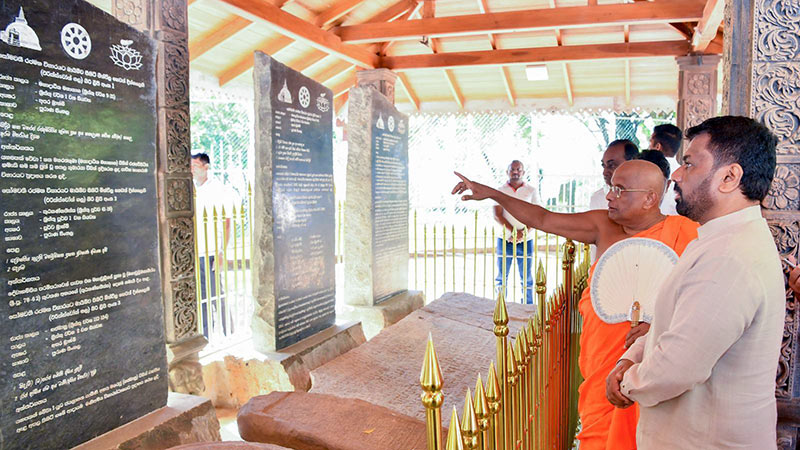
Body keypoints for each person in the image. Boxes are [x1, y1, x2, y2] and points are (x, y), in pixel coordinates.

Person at [451, 159, 699, 450]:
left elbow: (697, 306)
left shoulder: (688, 234)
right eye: (611, 188)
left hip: (649, 366)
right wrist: (493, 193)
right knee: (596, 437)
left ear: (650, 198)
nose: (609, 196)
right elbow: (542, 219)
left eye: (620, 190)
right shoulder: (602, 225)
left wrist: (656, 325)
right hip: (601, 362)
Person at [606, 116, 783, 449]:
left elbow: (677, 367)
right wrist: (629, 357)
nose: (675, 174)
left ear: (730, 177)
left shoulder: (730, 256)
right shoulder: (719, 240)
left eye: (688, 164)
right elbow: (675, 323)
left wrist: (625, 383)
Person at [192, 152, 238, 338]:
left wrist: (221, 253)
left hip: (211, 251)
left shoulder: (219, 190)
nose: (191, 170)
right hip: (195, 251)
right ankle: (205, 333)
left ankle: (229, 332)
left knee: (216, 294)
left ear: (206, 167)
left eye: (195, 165)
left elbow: (227, 223)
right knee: (200, 296)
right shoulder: (191, 188)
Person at [494, 160, 540, 304]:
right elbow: (497, 214)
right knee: (502, 277)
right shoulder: (500, 190)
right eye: (512, 169)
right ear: (507, 172)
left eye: (518, 169)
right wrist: (514, 232)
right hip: (505, 239)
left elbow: (537, 214)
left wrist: (523, 233)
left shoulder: (531, 190)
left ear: (523, 172)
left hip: (526, 241)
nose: (515, 172)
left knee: (526, 277)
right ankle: (500, 306)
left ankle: (527, 307)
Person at [589, 140, 640, 211]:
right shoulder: (598, 198)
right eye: (604, 166)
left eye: (611, 165)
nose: (605, 172)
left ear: (633, 163)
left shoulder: (651, 195)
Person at [649, 124, 682, 215]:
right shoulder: (684, 174)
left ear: (657, 147)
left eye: (650, 142)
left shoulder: (648, 172)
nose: (648, 147)